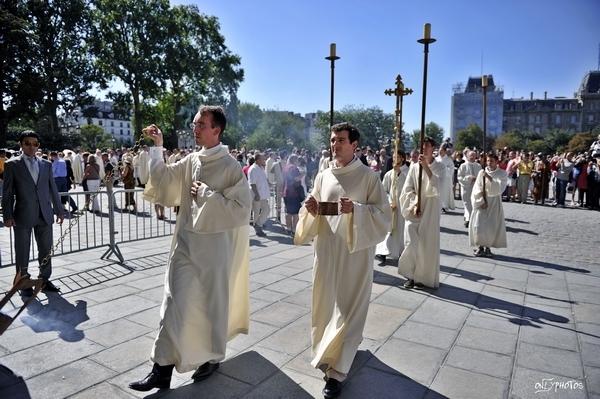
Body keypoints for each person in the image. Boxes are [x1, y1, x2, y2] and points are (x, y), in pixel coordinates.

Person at [128, 105, 252, 392]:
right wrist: (158, 147)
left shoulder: (231, 167)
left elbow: (241, 210)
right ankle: (161, 369)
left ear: (216, 130)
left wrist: (207, 195)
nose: (194, 129)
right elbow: (165, 180)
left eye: (200, 125)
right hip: (185, 245)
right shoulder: (191, 160)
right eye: (194, 123)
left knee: (210, 307)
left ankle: (211, 357)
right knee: (173, 303)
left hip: (214, 253)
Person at [294, 122, 390, 399]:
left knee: (349, 309)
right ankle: (328, 350)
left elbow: (383, 217)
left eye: (341, 140)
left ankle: (337, 372)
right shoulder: (324, 176)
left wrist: (357, 210)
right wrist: (310, 209)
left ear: (354, 145)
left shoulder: (369, 178)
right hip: (326, 251)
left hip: (354, 255)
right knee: (326, 303)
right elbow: (315, 208)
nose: (335, 144)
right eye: (333, 140)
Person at [2, 131, 64, 294]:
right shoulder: (11, 164)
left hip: (45, 214)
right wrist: (7, 215)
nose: (31, 147)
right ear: (21, 145)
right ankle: (23, 282)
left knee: (46, 249)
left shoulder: (46, 164)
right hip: (22, 214)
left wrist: (59, 210)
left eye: (35, 144)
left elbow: (53, 189)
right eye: (27, 143)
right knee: (22, 250)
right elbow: (7, 193)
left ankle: (44, 280)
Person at [398, 136, 444, 289]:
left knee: (426, 245)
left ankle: (423, 278)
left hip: (430, 210)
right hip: (414, 210)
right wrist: (413, 203)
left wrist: (426, 168)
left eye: (427, 146)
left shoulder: (440, 167)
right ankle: (410, 275)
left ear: (433, 148)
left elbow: (438, 187)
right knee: (411, 243)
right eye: (422, 146)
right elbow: (407, 189)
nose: (424, 149)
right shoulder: (413, 167)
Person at [469, 153, 508, 257]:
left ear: (496, 162)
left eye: (492, 161)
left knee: (491, 226)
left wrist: (489, 177)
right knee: (479, 225)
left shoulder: (502, 173)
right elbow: (477, 188)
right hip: (482, 202)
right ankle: (480, 247)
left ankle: (488, 247)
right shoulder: (482, 172)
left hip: (494, 202)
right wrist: (481, 200)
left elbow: (499, 189)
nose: (489, 163)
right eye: (488, 161)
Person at [375, 150, 407, 266]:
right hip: (391, 207)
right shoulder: (389, 174)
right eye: (393, 157)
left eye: (397, 157)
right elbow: (384, 190)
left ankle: (401, 253)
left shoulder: (407, 173)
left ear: (402, 158)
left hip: (403, 206)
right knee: (388, 229)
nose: (395, 159)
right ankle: (382, 253)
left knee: (401, 230)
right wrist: (389, 201)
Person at [457, 150, 481, 228]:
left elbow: (481, 177)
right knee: (467, 204)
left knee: (474, 203)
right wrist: (468, 178)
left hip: (476, 188)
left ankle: (473, 218)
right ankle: (468, 219)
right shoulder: (463, 166)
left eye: (474, 156)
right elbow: (459, 177)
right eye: (471, 156)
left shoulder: (478, 166)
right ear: (467, 156)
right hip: (466, 188)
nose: (472, 157)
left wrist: (477, 179)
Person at [248, 152, 270, 237]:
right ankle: (258, 228)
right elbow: (252, 183)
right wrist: (257, 194)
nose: (264, 160)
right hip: (257, 194)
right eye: (262, 159)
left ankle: (258, 225)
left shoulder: (261, 168)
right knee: (258, 211)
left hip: (262, 194)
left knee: (265, 210)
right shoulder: (253, 169)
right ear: (257, 160)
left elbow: (263, 180)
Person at [283, 154, 304, 236]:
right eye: (297, 160)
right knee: (295, 213)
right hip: (293, 193)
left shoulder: (285, 167)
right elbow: (295, 179)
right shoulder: (294, 168)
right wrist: (302, 175)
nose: (298, 162)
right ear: (294, 160)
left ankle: (288, 229)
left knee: (288, 212)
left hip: (286, 192)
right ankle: (294, 230)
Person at [436, 143, 454, 213]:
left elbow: (451, 169)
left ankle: (444, 206)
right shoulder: (436, 159)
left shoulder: (448, 160)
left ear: (445, 151)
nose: (440, 152)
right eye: (439, 151)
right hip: (437, 178)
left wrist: (445, 169)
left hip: (445, 179)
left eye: (441, 151)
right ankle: (438, 205)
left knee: (444, 192)